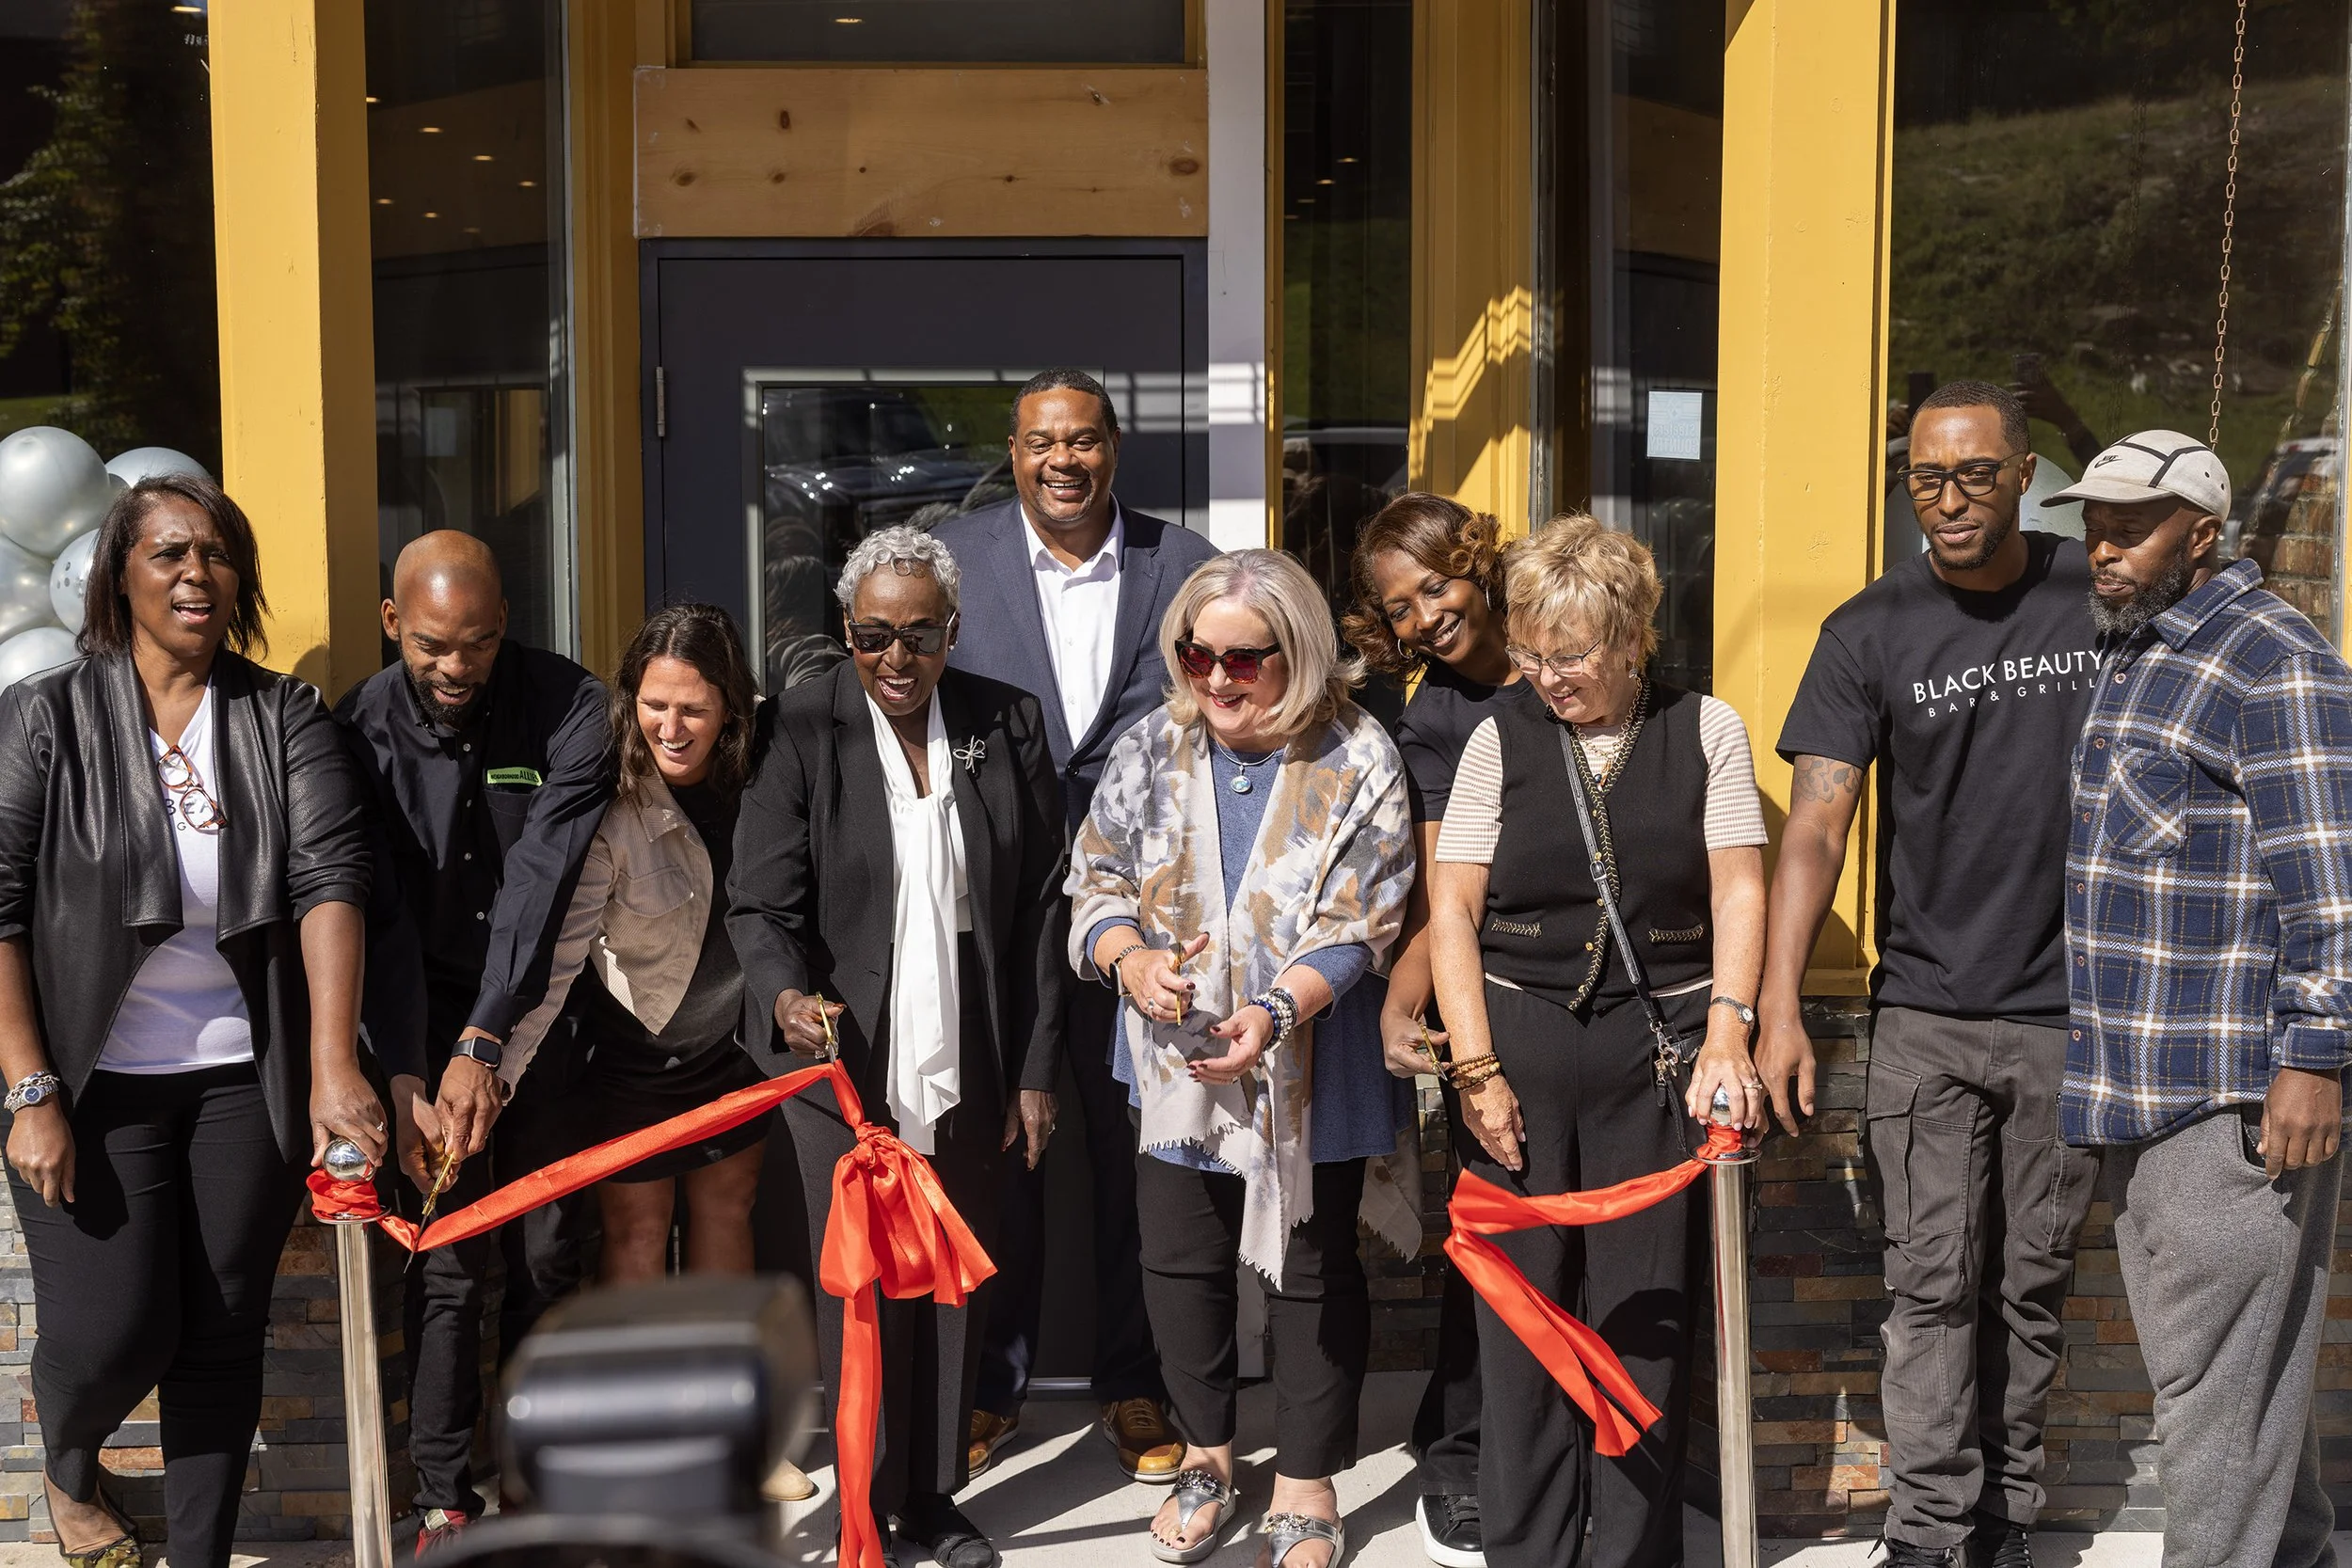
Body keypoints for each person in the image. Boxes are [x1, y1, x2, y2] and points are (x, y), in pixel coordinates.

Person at [0, 474, 386, 1568]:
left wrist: (327, 1069)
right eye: (167, 552)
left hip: (236, 1077)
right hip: (92, 1081)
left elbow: (329, 881)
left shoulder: (282, 716)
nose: (194, 573)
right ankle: (71, 1464)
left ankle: (201, 1557)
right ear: (118, 573)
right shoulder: (46, 714)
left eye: (215, 555)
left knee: (219, 1333)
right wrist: (30, 1089)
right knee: (110, 1330)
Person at [1756, 379, 2101, 1568]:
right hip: (1925, 1012)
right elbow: (1816, 823)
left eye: (1973, 474)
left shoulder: (2090, 591)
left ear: (2024, 477)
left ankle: (2007, 1515)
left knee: (2029, 1287)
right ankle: (1926, 1530)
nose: (1947, 500)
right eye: (1924, 477)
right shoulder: (1869, 627)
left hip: (2069, 1015)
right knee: (1929, 1289)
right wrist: (1775, 1004)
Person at [1423, 515, 1769, 1568]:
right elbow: (1450, 909)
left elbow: (1739, 885)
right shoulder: (1496, 735)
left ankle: (1629, 1548)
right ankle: (1526, 1549)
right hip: (1515, 1044)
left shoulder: (1707, 728)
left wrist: (1727, 1031)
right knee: (1518, 1318)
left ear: (1630, 637)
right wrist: (1474, 1068)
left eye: (1568, 653)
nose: (1545, 675)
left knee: (1642, 1316)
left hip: (1655, 1050)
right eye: (1528, 651)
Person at [728, 526, 1067, 1568]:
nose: (895, 657)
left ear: (951, 631)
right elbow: (758, 900)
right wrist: (786, 996)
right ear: (845, 629)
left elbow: (1043, 912)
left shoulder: (1002, 719)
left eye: (919, 634)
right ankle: (862, 1500)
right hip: (844, 1051)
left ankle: (930, 1493)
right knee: (860, 1282)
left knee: (947, 1277)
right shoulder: (802, 722)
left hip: (969, 1035)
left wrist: (1035, 1070)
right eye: (873, 633)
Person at [1068, 548, 1413, 1568]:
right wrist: (1128, 958)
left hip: (1310, 1062)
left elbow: (1368, 915)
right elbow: (1094, 875)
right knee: (1179, 1262)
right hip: (1173, 1063)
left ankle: (1306, 1480)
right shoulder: (1151, 745)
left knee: (1311, 1271)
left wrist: (1271, 1008)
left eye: (1242, 659)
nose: (1214, 677)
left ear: (1295, 653)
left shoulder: (1358, 755)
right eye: (1195, 653)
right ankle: (1209, 1455)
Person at [2056, 432, 2351, 1568]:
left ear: (2203, 533)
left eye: (2132, 526)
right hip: (2140, 1085)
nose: (2104, 547)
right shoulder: (2141, 650)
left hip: (2226, 1095)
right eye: (2095, 524)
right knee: (2247, 1383)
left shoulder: (2270, 657)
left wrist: (2316, 1054)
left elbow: (2330, 873)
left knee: (2209, 1399)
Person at [932, 367, 1217, 1483]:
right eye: (1044, 441)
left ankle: (1131, 1381)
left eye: (1086, 440)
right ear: (1013, 452)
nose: (1065, 460)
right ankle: (990, 1385)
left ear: (1114, 448)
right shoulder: (958, 559)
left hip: (1140, 920)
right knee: (1001, 1147)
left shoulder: (1180, 563)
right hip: (990, 912)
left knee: (1127, 1151)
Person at [335, 531, 615, 1553]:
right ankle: (445, 1499)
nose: (459, 668)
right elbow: (378, 912)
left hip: (540, 1013)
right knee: (446, 1259)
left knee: (549, 1249)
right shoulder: (352, 730)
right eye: (436, 647)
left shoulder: (574, 707)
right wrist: (413, 1065)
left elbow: (543, 876)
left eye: (482, 644)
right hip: (416, 1013)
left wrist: (487, 1042)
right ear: (391, 621)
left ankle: (542, 1478)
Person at [1339, 492, 1518, 1568]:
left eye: (1436, 587)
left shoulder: (1570, 652)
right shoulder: (1434, 715)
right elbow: (1438, 887)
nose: (1425, 618)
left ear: (1477, 565)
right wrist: (1406, 998)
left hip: (1599, 990)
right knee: (1486, 1230)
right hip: (1482, 993)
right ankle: (1454, 1454)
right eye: (1401, 608)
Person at [496, 605, 769, 1284]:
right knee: (637, 1227)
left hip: (732, 1046)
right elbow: (557, 956)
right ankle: (643, 1391)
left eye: (693, 710)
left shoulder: (766, 770)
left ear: (732, 708)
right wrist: (494, 1069)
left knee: (727, 1209)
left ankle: (720, 1388)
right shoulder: (614, 798)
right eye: (654, 706)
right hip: (636, 1055)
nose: (670, 730)